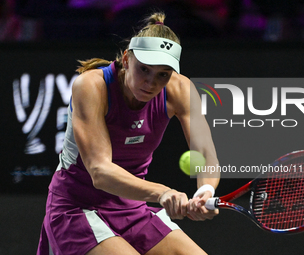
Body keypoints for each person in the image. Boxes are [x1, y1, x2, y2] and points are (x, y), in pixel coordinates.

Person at [37, 12, 220, 255]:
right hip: (77, 208)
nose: (150, 83)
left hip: (132, 209)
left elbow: (205, 152)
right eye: (144, 69)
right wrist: (162, 192)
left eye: (162, 75)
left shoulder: (180, 89)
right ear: (126, 59)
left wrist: (204, 190)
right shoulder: (91, 86)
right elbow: (100, 172)